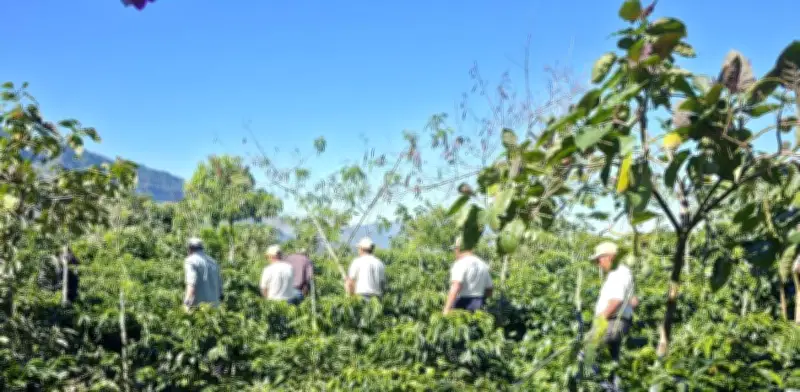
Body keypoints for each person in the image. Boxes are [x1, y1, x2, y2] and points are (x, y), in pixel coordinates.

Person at [591, 241, 639, 363]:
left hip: (611, 323)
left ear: (610, 257)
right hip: (618, 323)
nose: (598, 264)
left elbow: (616, 301)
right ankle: (612, 381)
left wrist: (599, 322)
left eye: (599, 260)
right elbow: (634, 301)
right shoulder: (623, 273)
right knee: (612, 362)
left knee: (587, 353)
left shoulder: (618, 273)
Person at [442, 237, 493, 315]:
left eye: (455, 248)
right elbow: (489, 289)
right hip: (480, 303)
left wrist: (446, 309)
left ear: (459, 248)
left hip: (463, 304)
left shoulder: (460, 263)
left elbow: (456, 286)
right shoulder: (482, 264)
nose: (455, 251)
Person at [183, 237, 223, 311]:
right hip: (214, 311)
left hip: (199, 311)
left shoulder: (190, 261)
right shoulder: (213, 262)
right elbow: (220, 290)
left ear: (190, 249)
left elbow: (191, 284)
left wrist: (186, 305)